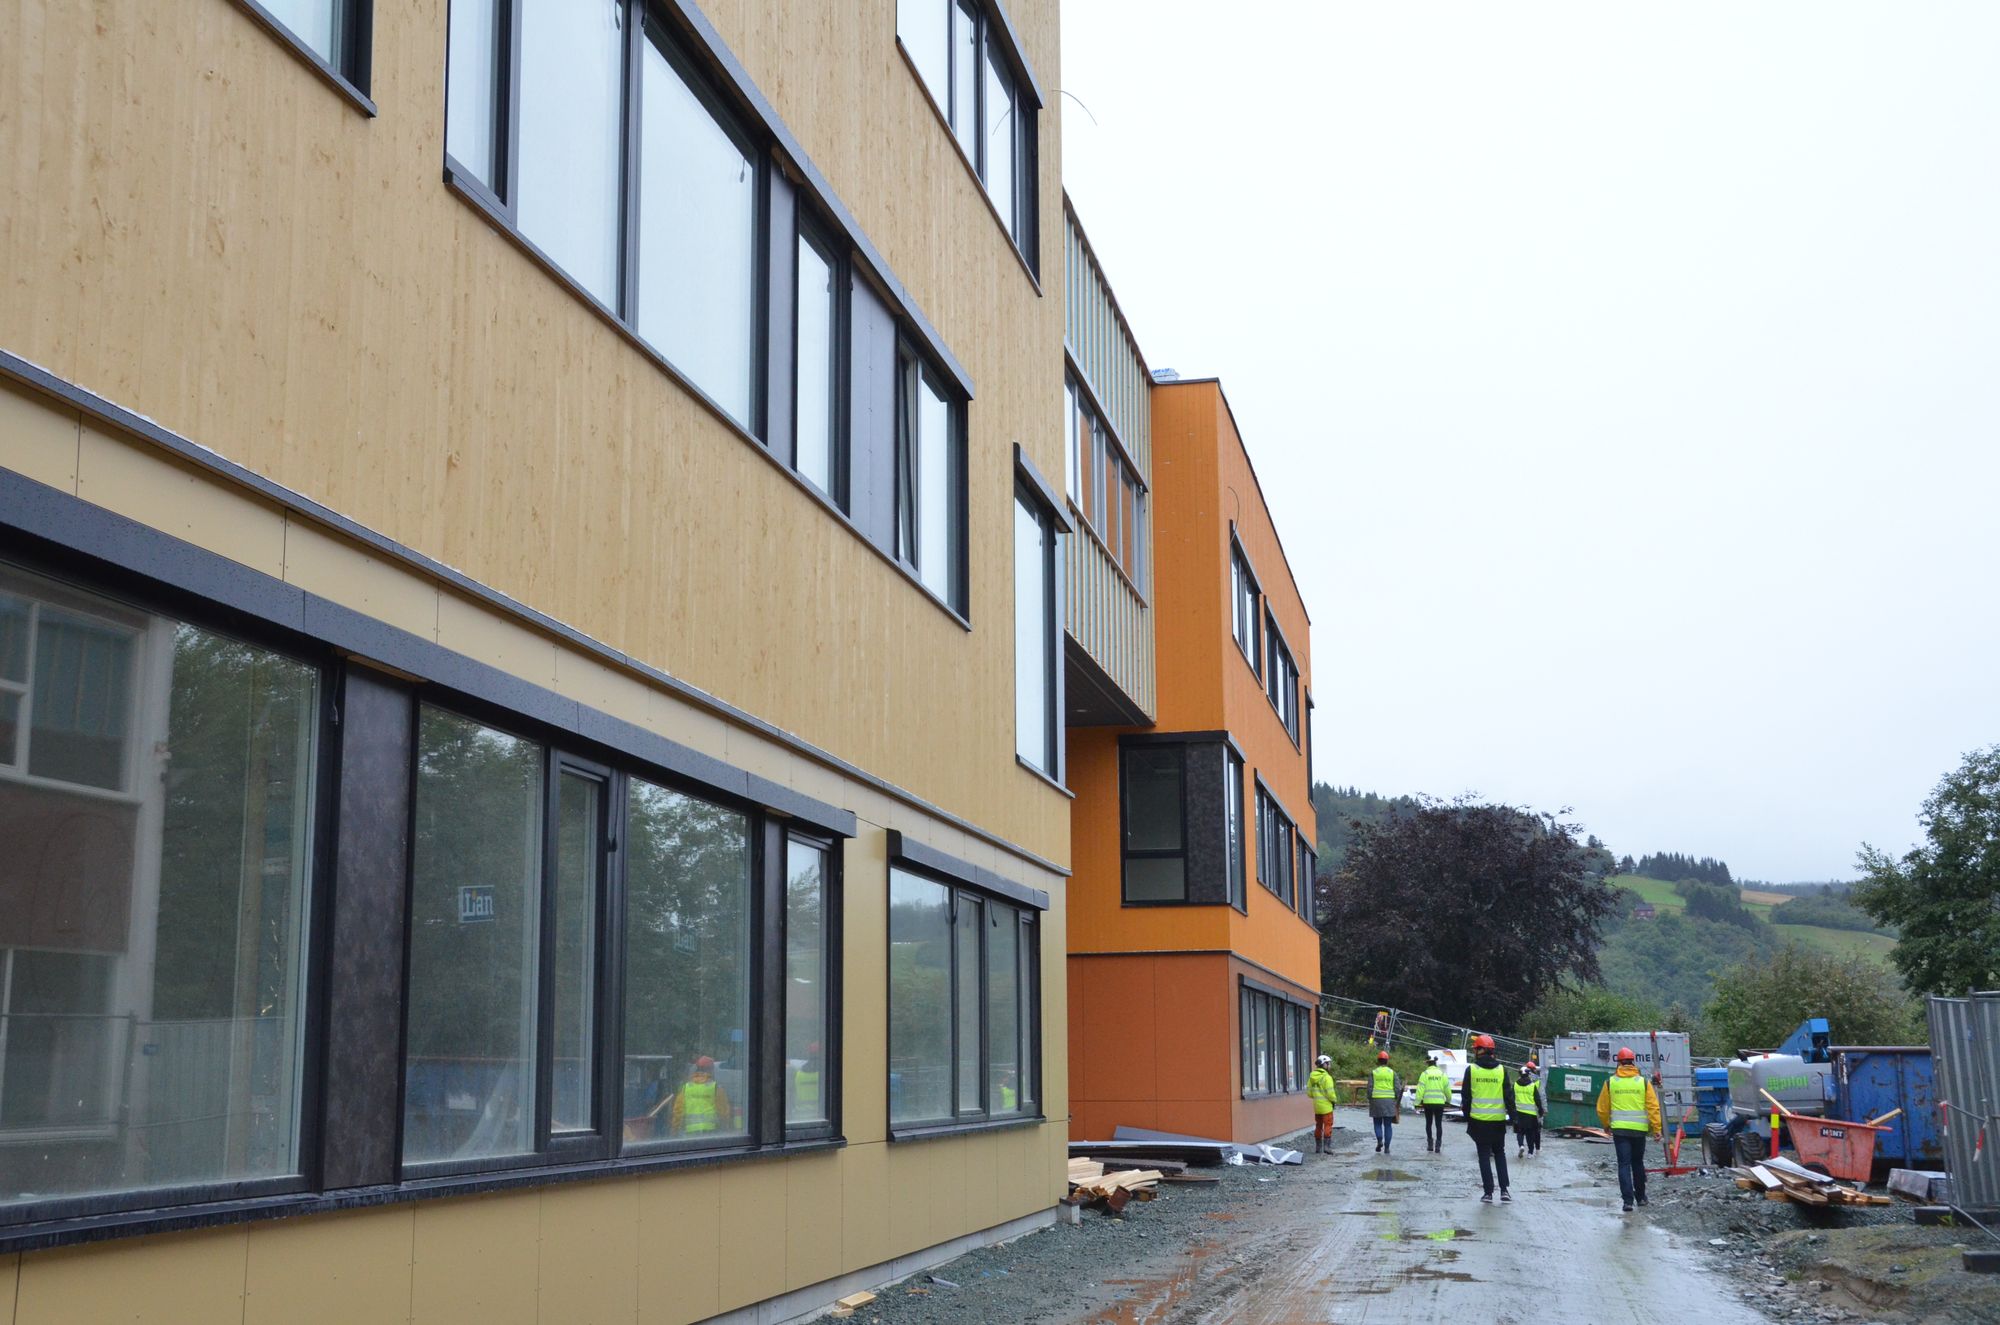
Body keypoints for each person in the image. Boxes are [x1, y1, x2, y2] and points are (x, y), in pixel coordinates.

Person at [1595, 1046, 1663, 1213]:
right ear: (1633, 1062)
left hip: (1620, 1131)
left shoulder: (1610, 1083)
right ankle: (1641, 1197)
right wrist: (1657, 1129)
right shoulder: (1643, 1082)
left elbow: (1602, 1108)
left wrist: (1606, 1125)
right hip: (1639, 1130)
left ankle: (1627, 1202)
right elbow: (1653, 1107)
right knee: (1637, 1163)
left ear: (1618, 1063)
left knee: (1623, 1164)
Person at [1461, 1034, 1515, 1202]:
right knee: (1500, 1154)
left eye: (1476, 1049)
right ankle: (1504, 1190)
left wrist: (1467, 1117)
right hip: (1498, 1121)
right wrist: (1514, 1119)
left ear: (1481, 1050)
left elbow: (1466, 1097)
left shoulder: (1472, 1070)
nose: (1475, 1052)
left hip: (1478, 1121)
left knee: (1484, 1156)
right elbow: (1509, 1096)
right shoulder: (1501, 1070)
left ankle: (1488, 1193)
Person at [671, 1055, 734, 1137]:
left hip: (690, 1133)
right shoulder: (715, 1088)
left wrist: (674, 1131)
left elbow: (678, 1112)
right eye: (712, 1069)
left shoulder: (686, 1087)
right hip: (711, 1132)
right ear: (709, 1069)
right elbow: (723, 1112)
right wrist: (726, 1129)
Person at [1416, 1057, 1452, 1153]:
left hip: (1428, 1103)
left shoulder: (1424, 1074)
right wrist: (1449, 1100)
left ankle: (1430, 1145)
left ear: (1428, 1064)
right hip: (1439, 1103)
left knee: (1429, 1123)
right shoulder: (1442, 1074)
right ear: (1435, 1064)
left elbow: (1420, 1090)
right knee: (1438, 1124)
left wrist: (1416, 1102)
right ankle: (1438, 1146)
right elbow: (1447, 1089)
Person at [1368, 1050, 1400, 1154]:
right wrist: (1395, 1100)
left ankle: (1379, 1140)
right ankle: (1387, 1147)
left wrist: (1370, 1099)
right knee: (1387, 1125)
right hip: (1389, 1102)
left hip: (1376, 1101)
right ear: (1387, 1061)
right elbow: (1397, 1088)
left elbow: (1369, 1088)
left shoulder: (1374, 1072)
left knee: (1377, 1123)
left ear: (1378, 1061)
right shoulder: (1392, 1073)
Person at [1307, 1054, 1338, 1153]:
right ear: (1325, 1065)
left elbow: (1309, 1093)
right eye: (1329, 1064)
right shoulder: (1327, 1077)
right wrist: (1334, 1100)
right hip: (1327, 1107)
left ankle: (1318, 1147)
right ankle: (1327, 1147)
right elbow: (1330, 1093)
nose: (1330, 1066)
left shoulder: (1312, 1077)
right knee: (1328, 1125)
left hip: (1317, 1107)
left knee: (1318, 1126)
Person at [1515, 1059, 1546, 1157]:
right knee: (1533, 1132)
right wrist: (1542, 1110)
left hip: (1519, 1111)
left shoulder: (1516, 1083)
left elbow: (1511, 1097)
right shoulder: (1535, 1083)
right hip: (1532, 1112)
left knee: (1520, 1131)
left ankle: (1521, 1146)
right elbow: (1540, 1097)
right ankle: (1532, 1151)